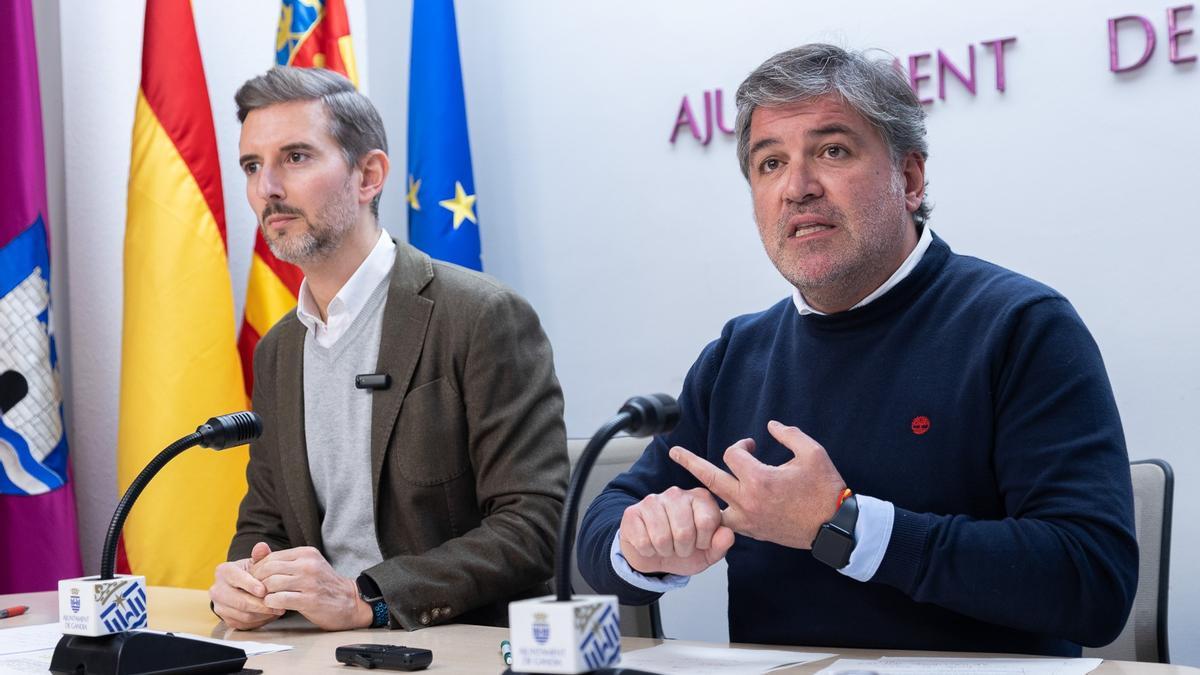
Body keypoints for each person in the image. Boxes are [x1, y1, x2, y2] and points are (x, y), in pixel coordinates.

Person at [577, 44, 1137, 656]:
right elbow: (609, 522)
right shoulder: (737, 353)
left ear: (911, 179)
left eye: (832, 151)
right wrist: (643, 541)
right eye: (769, 163)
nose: (797, 188)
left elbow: (1092, 580)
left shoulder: (1019, 325)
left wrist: (842, 526)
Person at [208, 67, 568, 632]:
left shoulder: (480, 316)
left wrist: (368, 600)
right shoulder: (279, 349)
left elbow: (534, 526)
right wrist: (244, 580)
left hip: (456, 643)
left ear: (369, 175)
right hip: (316, 651)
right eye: (253, 166)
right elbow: (268, 523)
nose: (267, 189)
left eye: (296, 157)